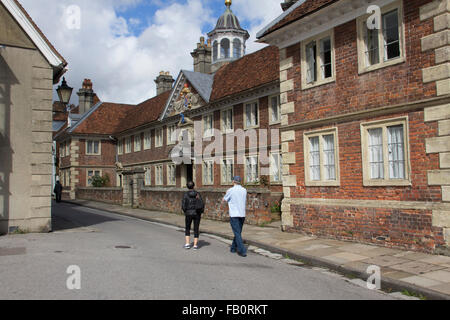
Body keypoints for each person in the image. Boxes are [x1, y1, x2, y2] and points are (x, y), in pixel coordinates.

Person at [223, 176, 247, 257]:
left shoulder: (231, 190)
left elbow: (224, 200)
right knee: (238, 232)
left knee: (237, 233)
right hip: (242, 213)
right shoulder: (244, 190)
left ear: (233, 181)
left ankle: (242, 250)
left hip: (234, 214)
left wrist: (226, 194)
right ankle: (233, 248)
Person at [181, 181, 204, 250]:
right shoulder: (198, 194)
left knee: (187, 228)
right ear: (194, 186)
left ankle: (187, 244)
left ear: (187, 187)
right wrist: (200, 212)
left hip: (188, 213)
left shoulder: (185, 195)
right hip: (197, 213)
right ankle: (195, 245)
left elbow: (183, 205)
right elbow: (202, 204)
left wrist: (186, 211)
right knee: (196, 228)